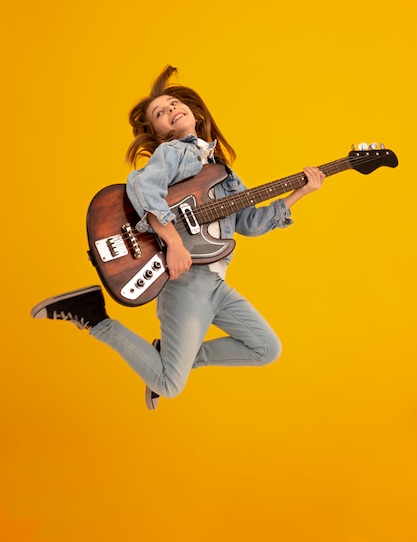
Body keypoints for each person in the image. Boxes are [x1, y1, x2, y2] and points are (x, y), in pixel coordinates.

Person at [31, 65, 325, 410]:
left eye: (173, 104)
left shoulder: (222, 172)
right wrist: (172, 243)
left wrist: (297, 195)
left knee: (265, 348)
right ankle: (94, 317)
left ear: (195, 113)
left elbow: (249, 223)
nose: (170, 110)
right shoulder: (172, 153)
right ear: (157, 131)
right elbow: (143, 189)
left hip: (217, 285)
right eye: (160, 112)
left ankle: (168, 357)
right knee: (169, 385)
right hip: (185, 280)